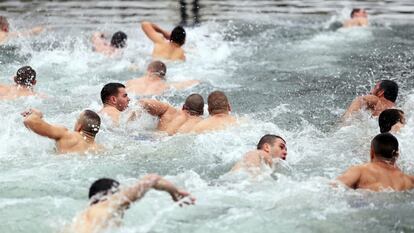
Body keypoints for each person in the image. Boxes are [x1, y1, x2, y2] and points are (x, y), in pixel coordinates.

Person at [66, 174, 195, 233]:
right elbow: (151, 179)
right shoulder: (109, 204)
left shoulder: (79, 219)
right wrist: (174, 192)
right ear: (113, 194)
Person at [336, 133, 414, 191]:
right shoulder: (408, 180)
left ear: (372, 152)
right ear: (397, 155)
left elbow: (336, 187)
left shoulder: (361, 170)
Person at [22, 109, 102, 154]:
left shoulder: (68, 136)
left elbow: (30, 121)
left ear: (79, 127)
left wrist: (37, 114)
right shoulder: (100, 149)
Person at [139, 94, 204, 135]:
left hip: (152, 139)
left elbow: (143, 102)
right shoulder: (201, 123)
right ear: (202, 112)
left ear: (183, 107)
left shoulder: (169, 110)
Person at [126, 60, 199, 96]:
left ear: (148, 70)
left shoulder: (131, 82)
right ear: (163, 75)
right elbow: (190, 83)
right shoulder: (166, 86)